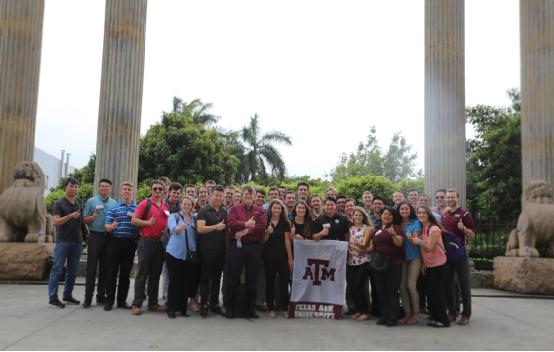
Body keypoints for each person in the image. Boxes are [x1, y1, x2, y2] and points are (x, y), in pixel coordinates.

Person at [224, 186, 267, 319]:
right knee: (233, 277)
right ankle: (229, 307)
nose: (248, 199)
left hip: (253, 247)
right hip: (237, 247)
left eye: (250, 196)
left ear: (254, 197)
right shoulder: (234, 209)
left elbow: (261, 226)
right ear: (242, 196)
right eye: (245, 196)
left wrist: (245, 231)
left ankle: (250, 309)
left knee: (252, 279)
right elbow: (231, 223)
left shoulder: (260, 210)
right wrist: (246, 224)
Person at [130, 180, 170, 315]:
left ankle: (153, 303)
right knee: (142, 274)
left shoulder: (165, 205)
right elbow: (134, 220)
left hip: (160, 243)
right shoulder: (145, 203)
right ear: (151, 190)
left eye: (160, 189)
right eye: (155, 189)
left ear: (164, 191)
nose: (158, 191)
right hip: (146, 242)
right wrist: (147, 222)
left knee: (155, 275)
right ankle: (137, 304)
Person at [411, 205, 450, 328]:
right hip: (429, 265)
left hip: (439, 265)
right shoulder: (423, 228)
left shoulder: (434, 229)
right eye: (419, 213)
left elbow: (428, 248)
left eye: (423, 213)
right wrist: (423, 264)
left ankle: (443, 321)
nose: (421, 215)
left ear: (428, 214)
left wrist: (419, 242)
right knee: (431, 293)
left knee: (437, 294)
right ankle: (435, 317)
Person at [47, 177, 84, 308]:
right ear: (65, 188)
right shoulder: (59, 204)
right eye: (71, 186)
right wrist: (70, 216)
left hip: (77, 242)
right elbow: (55, 222)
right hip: (63, 241)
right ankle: (52, 298)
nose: (73, 189)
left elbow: (81, 222)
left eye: (75, 186)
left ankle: (67, 295)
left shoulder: (79, 202)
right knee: (57, 270)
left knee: (72, 271)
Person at [103, 181, 138, 311]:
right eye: (125, 189)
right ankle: (109, 301)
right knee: (111, 273)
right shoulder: (114, 208)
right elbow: (106, 225)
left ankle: (122, 301)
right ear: (121, 192)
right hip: (115, 242)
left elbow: (140, 225)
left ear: (132, 192)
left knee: (125, 274)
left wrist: (137, 221)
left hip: (130, 244)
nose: (127, 191)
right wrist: (110, 227)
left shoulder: (137, 208)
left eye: (129, 189)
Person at [442, 188, 475, 326]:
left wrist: (463, 229)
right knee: (448, 284)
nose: (449, 199)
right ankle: (452, 311)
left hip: (460, 253)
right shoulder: (446, 214)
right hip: (448, 253)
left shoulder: (465, 214)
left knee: (464, 284)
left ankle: (466, 314)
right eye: (448, 197)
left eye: (452, 197)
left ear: (458, 198)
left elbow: (472, 233)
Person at [82, 178, 117, 307]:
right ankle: (88, 298)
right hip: (95, 237)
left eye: (107, 186)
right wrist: (92, 217)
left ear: (110, 189)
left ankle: (101, 296)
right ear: (99, 187)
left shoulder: (114, 203)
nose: (104, 188)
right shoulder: (91, 201)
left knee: (105, 269)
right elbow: (84, 220)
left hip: (109, 238)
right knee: (91, 269)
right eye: (102, 186)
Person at [196, 185, 228, 317]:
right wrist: (216, 227)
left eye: (221, 196)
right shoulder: (203, 211)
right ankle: (204, 304)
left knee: (216, 278)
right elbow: (200, 229)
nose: (218, 198)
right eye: (216, 195)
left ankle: (214, 303)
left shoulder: (224, 211)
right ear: (210, 196)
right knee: (205, 278)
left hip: (220, 251)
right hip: (206, 251)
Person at [165, 195, 198, 318]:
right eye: (184, 204)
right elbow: (174, 230)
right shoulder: (174, 216)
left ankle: (183, 308)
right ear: (181, 204)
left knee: (185, 282)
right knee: (174, 282)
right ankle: (171, 308)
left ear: (192, 207)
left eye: (189, 204)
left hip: (188, 256)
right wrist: (180, 227)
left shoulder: (194, 219)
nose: (186, 206)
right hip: (174, 254)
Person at [372, 206, 404, 327]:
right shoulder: (378, 229)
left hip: (393, 263)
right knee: (381, 291)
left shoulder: (396, 228)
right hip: (379, 263)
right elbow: (373, 245)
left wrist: (393, 235)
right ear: (381, 216)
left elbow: (399, 243)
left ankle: (393, 317)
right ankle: (384, 315)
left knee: (391, 291)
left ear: (393, 217)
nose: (387, 216)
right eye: (385, 214)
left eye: (390, 215)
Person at [262, 199, 293, 318]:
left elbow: (287, 241)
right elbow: (262, 240)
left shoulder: (285, 222)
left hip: (283, 257)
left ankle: (285, 307)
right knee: (270, 282)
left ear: (282, 210)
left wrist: (290, 258)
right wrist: (267, 233)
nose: (277, 210)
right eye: (274, 208)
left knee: (284, 282)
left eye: (279, 208)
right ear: (270, 209)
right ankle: (271, 307)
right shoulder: (266, 221)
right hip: (269, 257)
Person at [397, 201, 422, 324]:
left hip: (415, 258)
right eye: (402, 209)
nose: (404, 211)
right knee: (402, 287)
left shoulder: (416, 222)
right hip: (402, 258)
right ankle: (407, 313)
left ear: (410, 210)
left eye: (406, 209)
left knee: (411, 286)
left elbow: (415, 240)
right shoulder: (397, 224)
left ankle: (416, 314)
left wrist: (411, 237)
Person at [346, 207, 373, 321]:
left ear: (364, 217)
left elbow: (365, 246)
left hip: (364, 261)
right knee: (352, 287)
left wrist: (357, 245)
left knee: (358, 286)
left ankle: (365, 311)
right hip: (352, 261)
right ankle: (359, 310)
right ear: (352, 216)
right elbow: (348, 244)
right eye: (356, 215)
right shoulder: (350, 229)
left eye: (360, 215)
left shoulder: (367, 228)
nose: (357, 217)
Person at [161, 182, 182, 304]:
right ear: (169, 192)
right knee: (161, 271)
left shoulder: (181, 207)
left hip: (174, 244)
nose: (176, 195)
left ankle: (169, 296)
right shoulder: (162, 204)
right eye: (174, 192)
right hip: (161, 241)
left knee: (171, 271)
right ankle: (163, 295)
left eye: (178, 193)